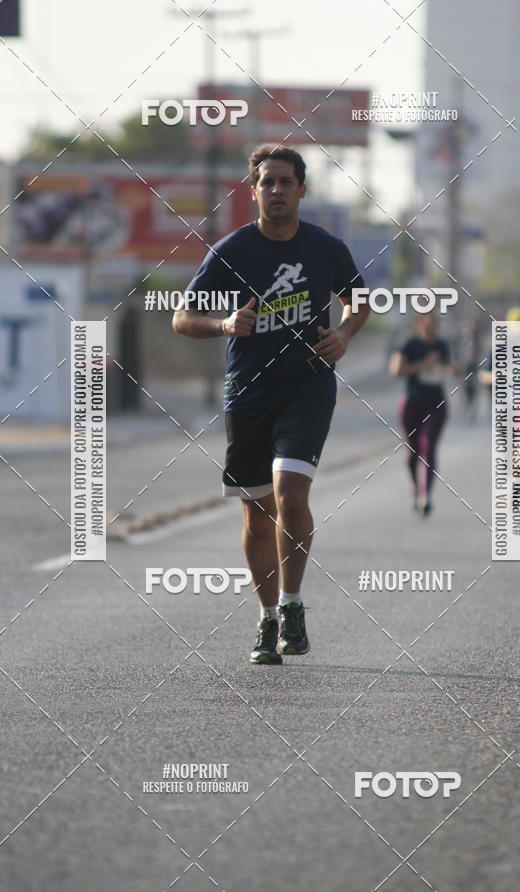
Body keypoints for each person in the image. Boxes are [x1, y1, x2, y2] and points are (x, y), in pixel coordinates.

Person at [172, 145, 370, 662]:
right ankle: (265, 618)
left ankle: (292, 604)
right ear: (253, 189)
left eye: (287, 181)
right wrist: (222, 324)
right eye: (268, 182)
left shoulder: (326, 247)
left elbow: (360, 298)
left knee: (290, 493)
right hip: (248, 391)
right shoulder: (232, 251)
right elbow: (182, 317)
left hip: (307, 385)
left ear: (302, 190)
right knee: (257, 515)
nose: (277, 190)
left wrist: (345, 333)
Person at [388, 311, 460, 516]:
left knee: (429, 445)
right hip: (412, 403)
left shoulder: (442, 345)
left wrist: (454, 369)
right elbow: (395, 371)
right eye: (430, 324)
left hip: (436, 403)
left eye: (436, 324)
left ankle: (425, 495)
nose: (434, 328)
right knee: (413, 451)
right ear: (420, 324)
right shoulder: (409, 345)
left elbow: (447, 367)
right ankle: (415, 487)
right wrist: (423, 364)